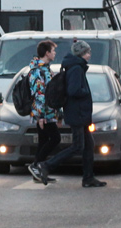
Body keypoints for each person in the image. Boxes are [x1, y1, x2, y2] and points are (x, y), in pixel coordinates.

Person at [31, 40, 106, 188]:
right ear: (81, 54)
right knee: (78, 146)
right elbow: (73, 90)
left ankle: (88, 177)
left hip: (79, 113)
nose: (90, 55)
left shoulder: (75, 67)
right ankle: (45, 166)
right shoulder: (76, 68)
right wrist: (87, 93)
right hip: (77, 113)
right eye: (87, 52)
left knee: (88, 145)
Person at [28, 40, 62, 183]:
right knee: (55, 138)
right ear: (47, 53)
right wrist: (41, 116)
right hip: (43, 113)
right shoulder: (39, 70)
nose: (55, 53)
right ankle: (36, 166)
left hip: (47, 112)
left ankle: (38, 172)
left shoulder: (45, 68)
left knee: (43, 141)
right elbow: (40, 93)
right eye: (53, 51)